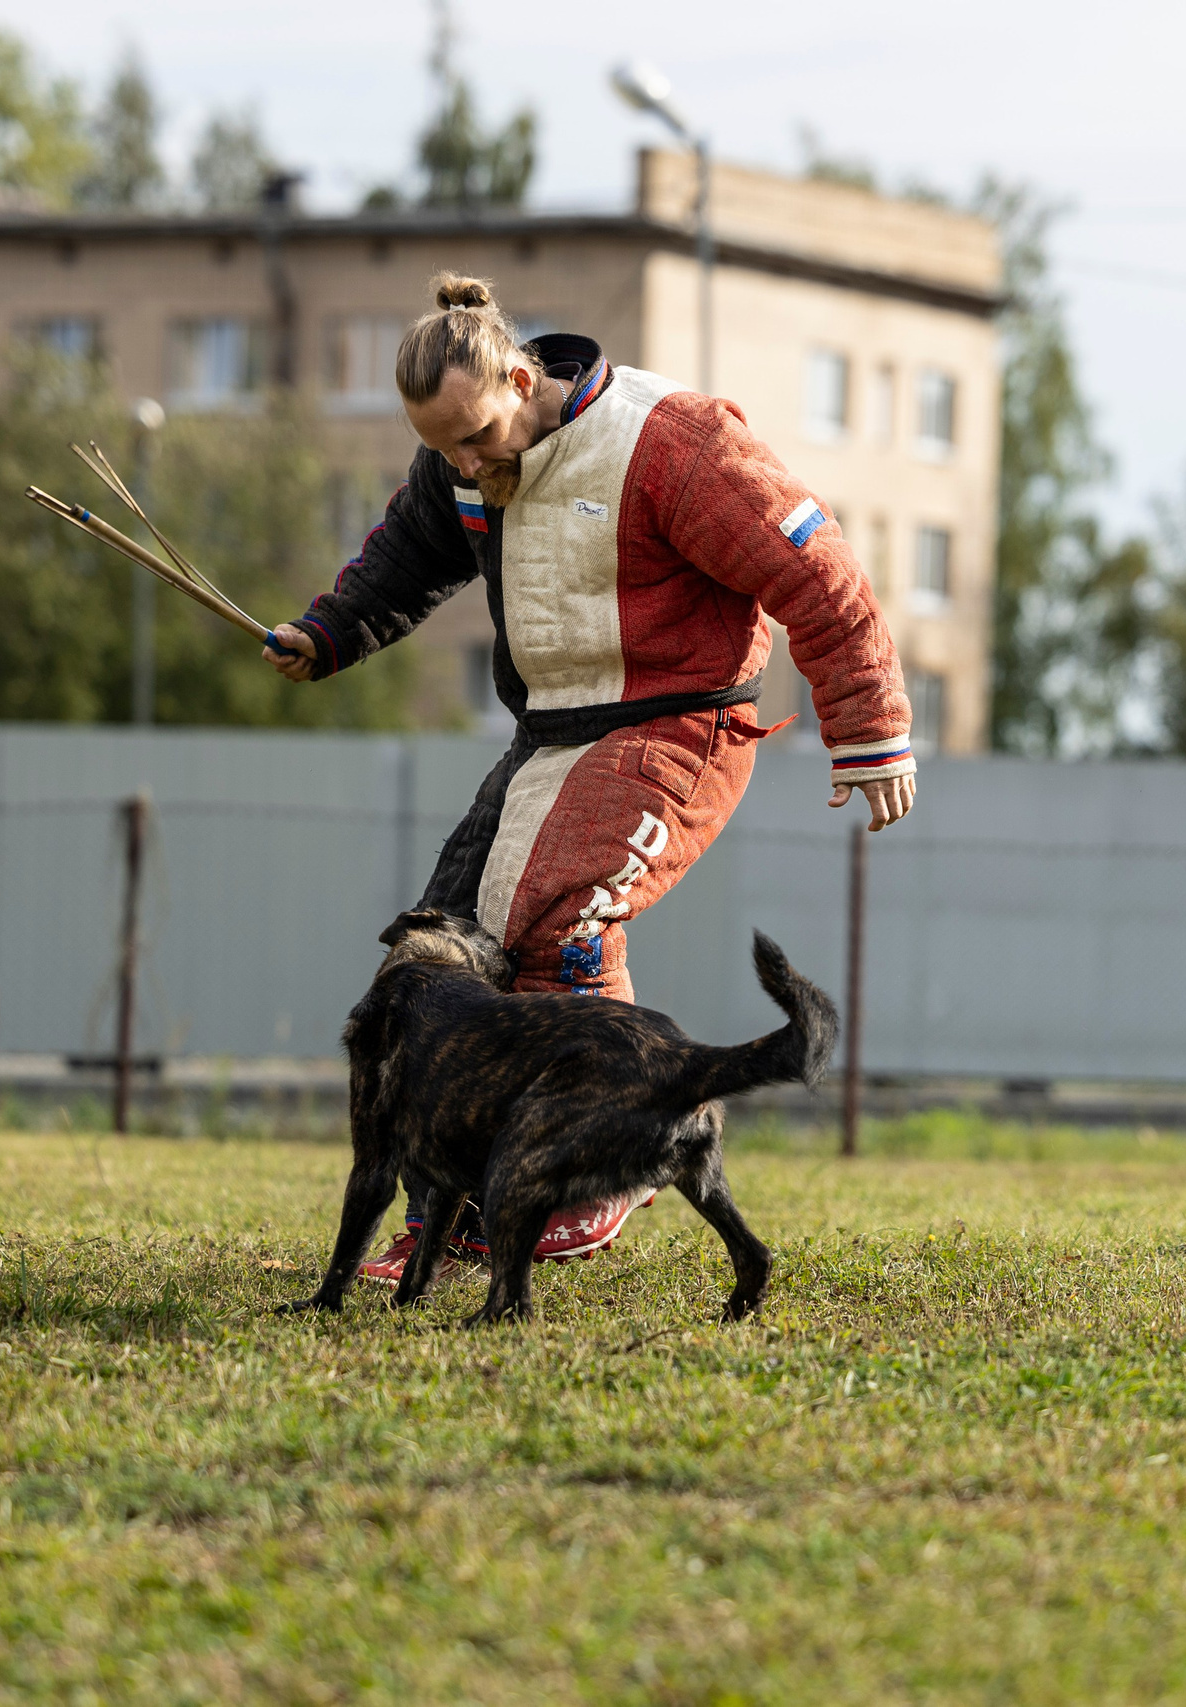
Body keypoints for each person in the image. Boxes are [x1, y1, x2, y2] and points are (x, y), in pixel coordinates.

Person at [266, 271, 916, 1276]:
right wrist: (327, 634)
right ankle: (453, 1224)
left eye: (476, 438)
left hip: (677, 726)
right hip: (551, 738)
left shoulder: (672, 442)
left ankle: (602, 1165)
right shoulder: (463, 457)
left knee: (548, 925)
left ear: (522, 379)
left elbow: (814, 566)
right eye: (442, 449)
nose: (464, 464)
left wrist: (868, 723)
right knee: (437, 971)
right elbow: (403, 559)